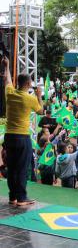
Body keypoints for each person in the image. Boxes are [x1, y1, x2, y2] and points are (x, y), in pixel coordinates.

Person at [3, 57, 43, 206]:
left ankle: (12, 196)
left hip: (9, 136)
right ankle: (21, 198)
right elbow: (41, 111)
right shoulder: (30, 98)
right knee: (21, 167)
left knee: (12, 166)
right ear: (28, 84)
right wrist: (39, 96)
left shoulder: (10, 93)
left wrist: (6, 66)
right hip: (22, 137)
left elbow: (7, 81)